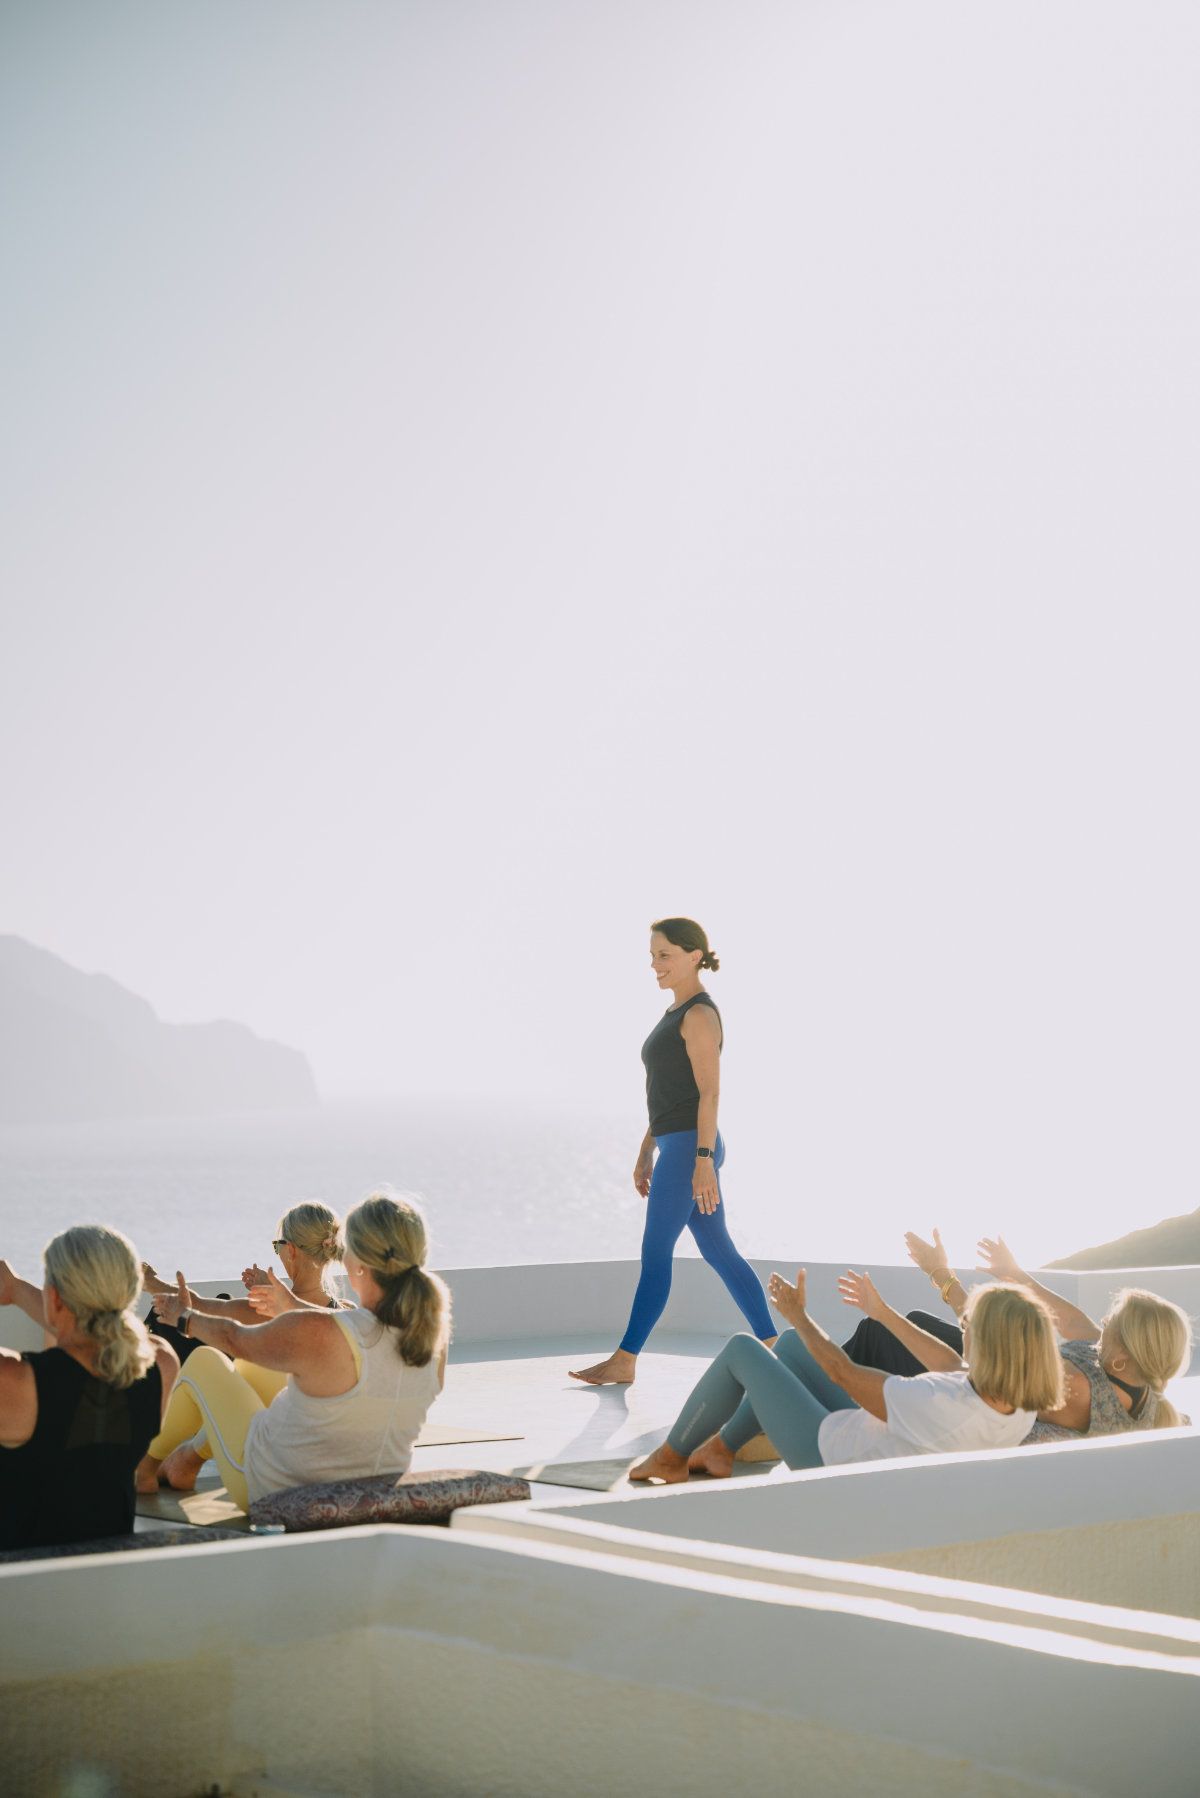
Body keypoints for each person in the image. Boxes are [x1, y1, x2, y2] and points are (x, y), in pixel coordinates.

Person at [131, 1192, 449, 1513]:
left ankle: (144, 1470)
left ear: (357, 1263)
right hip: (377, 1482)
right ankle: (182, 1461)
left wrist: (185, 1318)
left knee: (205, 1361)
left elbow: (233, 1337)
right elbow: (352, 1330)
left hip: (276, 1486)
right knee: (255, 1370)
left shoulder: (324, 1331)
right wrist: (291, 1305)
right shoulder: (431, 1337)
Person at [571, 918, 775, 1386]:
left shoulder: (699, 1015)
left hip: (690, 1148)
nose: (655, 965)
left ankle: (625, 1359)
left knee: (656, 1251)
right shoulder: (674, 1013)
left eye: (664, 955)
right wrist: (646, 1149)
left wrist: (702, 1161)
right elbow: (667, 1094)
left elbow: (709, 1094)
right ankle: (772, 1346)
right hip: (675, 1143)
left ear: (694, 955)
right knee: (719, 1250)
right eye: (652, 956)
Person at [628, 1267, 1063, 1482]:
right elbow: (951, 1363)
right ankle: (721, 1449)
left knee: (744, 1349)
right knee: (795, 1350)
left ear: (991, 1346)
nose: (962, 1330)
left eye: (968, 1326)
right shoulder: (1017, 1404)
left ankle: (670, 1458)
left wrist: (798, 1314)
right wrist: (880, 1311)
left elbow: (841, 1372)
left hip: (829, 1457)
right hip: (876, 1444)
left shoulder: (938, 1403)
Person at [886, 1230, 1192, 1442]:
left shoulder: (1078, 1389)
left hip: (981, 1398)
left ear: (1126, 1352)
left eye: (1113, 1318)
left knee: (887, 1336)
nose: (1104, 1320)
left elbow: (986, 1361)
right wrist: (1014, 1273)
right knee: (917, 1321)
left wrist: (940, 1274)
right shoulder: (1128, 1372)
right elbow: (1072, 1321)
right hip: (996, 1369)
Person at [137, 1202, 347, 1491]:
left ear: (292, 1251)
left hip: (269, 1478)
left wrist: (150, 1281)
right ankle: (181, 1460)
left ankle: (145, 1464)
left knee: (206, 1358)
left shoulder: (263, 1313)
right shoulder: (346, 1314)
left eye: (278, 1247)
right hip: (323, 1464)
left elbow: (196, 1305)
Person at [0, 1227, 178, 1550]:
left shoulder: (14, 1382)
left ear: (53, 1297)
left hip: (22, 1582)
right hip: (106, 1571)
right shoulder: (161, 1365)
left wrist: (16, 1291)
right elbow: (94, 1338)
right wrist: (14, 1290)